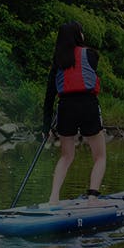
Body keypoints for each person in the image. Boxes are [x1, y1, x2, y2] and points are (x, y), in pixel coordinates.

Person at [42, 21, 107, 203]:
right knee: (100, 156)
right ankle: (92, 197)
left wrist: (46, 125)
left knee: (66, 156)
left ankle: (53, 197)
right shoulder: (92, 55)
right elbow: (86, 70)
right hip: (87, 104)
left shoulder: (58, 61)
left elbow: (49, 95)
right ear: (79, 35)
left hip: (66, 107)